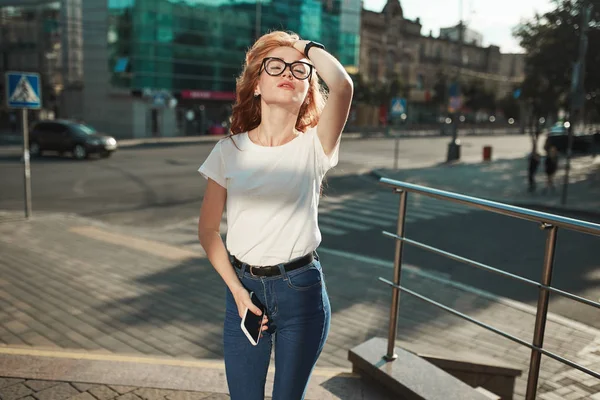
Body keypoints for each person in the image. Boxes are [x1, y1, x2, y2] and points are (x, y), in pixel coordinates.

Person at [196, 31, 353, 400]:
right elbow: (206, 230)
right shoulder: (228, 150)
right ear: (256, 84)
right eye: (276, 65)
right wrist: (236, 292)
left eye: (300, 71)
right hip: (244, 292)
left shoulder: (315, 145)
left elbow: (343, 86)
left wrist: (305, 47)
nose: (289, 72)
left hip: (301, 292)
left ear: (308, 89)